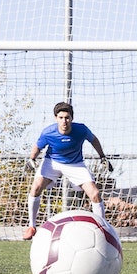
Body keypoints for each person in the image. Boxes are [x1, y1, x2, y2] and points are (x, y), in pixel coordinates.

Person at [23, 101, 110, 239]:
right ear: (56, 118)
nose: (64, 121)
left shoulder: (81, 130)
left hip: (76, 164)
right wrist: (31, 159)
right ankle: (31, 226)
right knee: (36, 187)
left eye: (67, 117)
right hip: (52, 162)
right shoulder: (48, 132)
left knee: (95, 194)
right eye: (61, 117)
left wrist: (102, 157)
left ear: (72, 118)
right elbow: (38, 146)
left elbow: (94, 140)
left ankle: (103, 229)